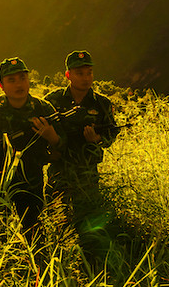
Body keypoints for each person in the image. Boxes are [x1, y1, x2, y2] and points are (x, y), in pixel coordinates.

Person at [0, 57, 65, 240]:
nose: (19, 84)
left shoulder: (44, 108)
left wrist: (52, 137)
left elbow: (64, 146)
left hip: (32, 185)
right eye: (11, 80)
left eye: (23, 78)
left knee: (34, 236)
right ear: (2, 85)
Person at [44, 50, 119, 259]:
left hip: (88, 173)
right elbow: (38, 131)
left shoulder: (102, 103)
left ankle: (92, 260)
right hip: (58, 171)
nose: (86, 78)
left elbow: (112, 133)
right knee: (56, 220)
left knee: (89, 223)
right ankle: (59, 259)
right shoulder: (52, 100)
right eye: (80, 73)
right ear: (68, 75)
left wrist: (97, 140)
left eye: (89, 73)